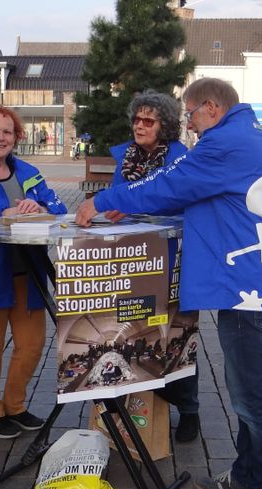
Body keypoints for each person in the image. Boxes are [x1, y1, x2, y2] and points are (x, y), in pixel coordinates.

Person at [75, 77, 262, 489]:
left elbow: (169, 186)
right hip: (246, 279)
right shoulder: (244, 134)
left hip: (248, 285)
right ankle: (247, 474)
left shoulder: (225, 142)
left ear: (211, 107)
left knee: (252, 396)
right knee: (244, 391)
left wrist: (102, 200)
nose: (188, 124)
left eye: (190, 114)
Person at [0, 106, 67, 440]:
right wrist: (3, 212)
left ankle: (15, 405)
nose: (0, 138)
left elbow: (59, 207)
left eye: (7, 132)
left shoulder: (28, 172)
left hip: (29, 274)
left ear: (16, 137)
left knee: (32, 345)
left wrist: (41, 206)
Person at [109, 89, 201, 442]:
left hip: (172, 257)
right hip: (134, 257)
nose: (140, 126)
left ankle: (188, 410)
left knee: (177, 333)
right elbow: (119, 198)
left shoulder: (179, 158)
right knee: (138, 331)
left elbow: (172, 197)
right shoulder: (127, 157)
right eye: (137, 119)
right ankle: (140, 402)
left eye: (149, 120)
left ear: (165, 126)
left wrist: (129, 205)